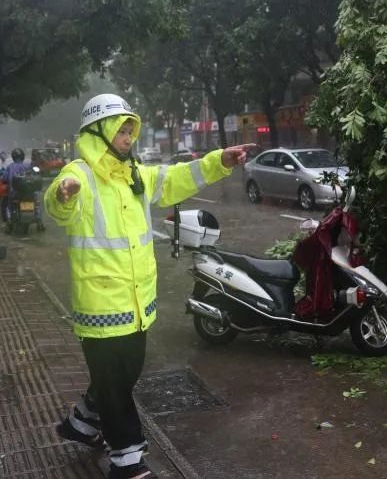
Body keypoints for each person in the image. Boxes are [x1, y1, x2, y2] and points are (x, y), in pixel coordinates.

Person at [44, 94, 253, 479]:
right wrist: (62, 195)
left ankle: (82, 422)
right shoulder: (79, 175)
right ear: (98, 133)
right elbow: (58, 205)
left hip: (136, 302)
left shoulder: (135, 174)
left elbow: (176, 178)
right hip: (100, 303)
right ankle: (127, 461)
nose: (128, 138)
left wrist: (219, 161)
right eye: (120, 131)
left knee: (124, 374)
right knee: (116, 385)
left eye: (130, 131)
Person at [1, 148, 30, 221]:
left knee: (7, 205)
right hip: (28, 192)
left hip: (13, 193)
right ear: (22, 156)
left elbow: (4, 178)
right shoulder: (27, 166)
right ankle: (39, 220)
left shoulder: (9, 167)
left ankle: (8, 220)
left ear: (13, 157)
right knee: (37, 203)